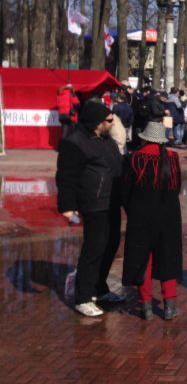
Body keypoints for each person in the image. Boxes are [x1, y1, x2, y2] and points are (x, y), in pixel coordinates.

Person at [56, 101, 125, 317]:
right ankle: (83, 297)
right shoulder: (74, 142)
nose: (112, 123)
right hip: (93, 203)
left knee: (111, 245)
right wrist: (67, 206)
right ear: (97, 121)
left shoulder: (106, 140)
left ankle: (99, 288)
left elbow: (118, 165)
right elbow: (66, 177)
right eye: (109, 120)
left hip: (112, 200)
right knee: (94, 249)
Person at [121, 115, 183, 321]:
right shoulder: (172, 158)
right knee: (168, 259)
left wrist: (131, 210)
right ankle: (170, 305)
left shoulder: (134, 158)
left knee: (142, 260)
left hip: (140, 215)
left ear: (145, 138)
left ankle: (145, 305)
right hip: (169, 216)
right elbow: (177, 188)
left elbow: (125, 192)